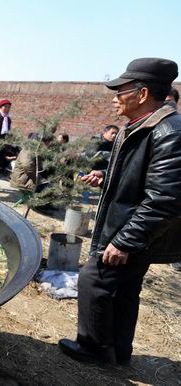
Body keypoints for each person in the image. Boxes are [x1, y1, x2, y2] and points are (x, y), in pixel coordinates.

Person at [59, 58, 181, 366]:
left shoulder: (167, 131)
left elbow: (165, 198)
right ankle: (119, 351)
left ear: (141, 95)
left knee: (92, 281)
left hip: (131, 232)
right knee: (125, 290)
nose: (114, 98)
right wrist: (105, 178)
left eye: (120, 91)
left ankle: (94, 348)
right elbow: (140, 181)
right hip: (132, 228)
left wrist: (126, 240)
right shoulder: (141, 126)